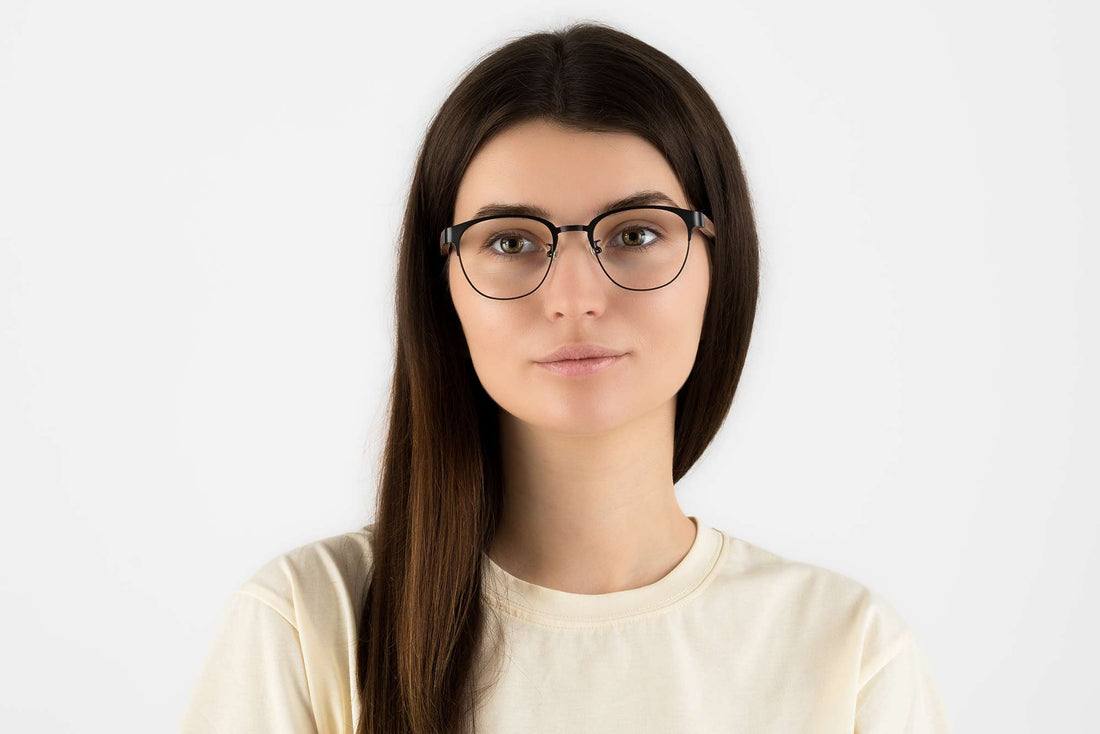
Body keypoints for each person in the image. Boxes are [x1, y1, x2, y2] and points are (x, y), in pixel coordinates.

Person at [178, 21, 951, 734]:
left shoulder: (845, 652)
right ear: (439, 284)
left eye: (636, 233)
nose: (575, 298)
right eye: (511, 242)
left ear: (723, 265)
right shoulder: (309, 623)